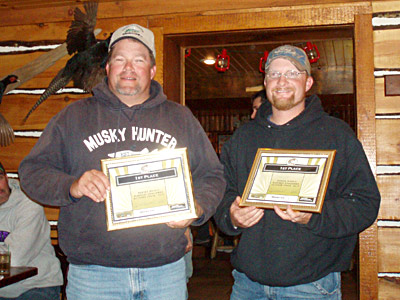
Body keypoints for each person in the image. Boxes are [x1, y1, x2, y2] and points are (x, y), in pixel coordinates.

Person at [18, 24, 225, 300]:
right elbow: (31, 172)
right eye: (119, 59)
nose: (129, 68)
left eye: (139, 60)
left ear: (151, 70)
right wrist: (73, 185)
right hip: (94, 275)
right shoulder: (73, 117)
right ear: (107, 67)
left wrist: (197, 207)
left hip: (165, 272)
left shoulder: (180, 118)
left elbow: (212, 175)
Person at [214, 45, 380, 300]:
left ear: (308, 82)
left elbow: (365, 205)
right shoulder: (243, 137)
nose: (281, 81)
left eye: (292, 73)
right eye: (274, 74)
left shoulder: (337, 135)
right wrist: (232, 216)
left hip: (312, 286)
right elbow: (223, 194)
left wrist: (313, 215)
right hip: (248, 285)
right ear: (266, 81)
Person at [0, 162, 63, 300]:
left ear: (6, 177)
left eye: (0, 177)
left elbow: (14, 259)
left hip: (36, 287)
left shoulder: (29, 204)